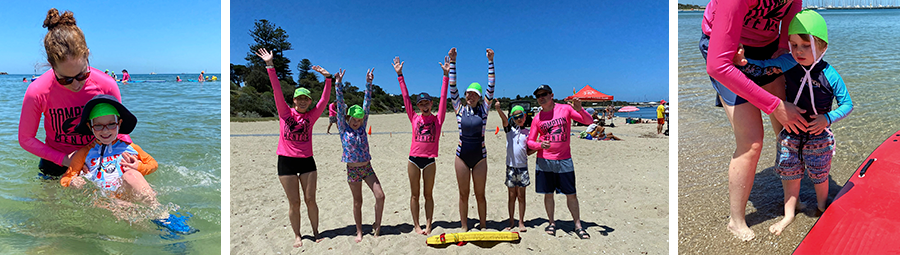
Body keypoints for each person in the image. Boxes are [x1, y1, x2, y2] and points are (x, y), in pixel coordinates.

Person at [734, 10, 853, 236]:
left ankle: (821, 206)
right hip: (791, 132)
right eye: (794, 44)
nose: (798, 51)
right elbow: (762, 67)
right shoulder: (788, 63)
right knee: (790, 173)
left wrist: (827, 118)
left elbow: (847, 104)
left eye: (806, 46)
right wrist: (742, 62)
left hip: (819, 135)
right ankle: (788, 214)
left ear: (823, 47)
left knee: (820, 174)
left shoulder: (830, 74)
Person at [700, 0, 809, 241]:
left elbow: (788, 22)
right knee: (751, 143)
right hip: (726, 50)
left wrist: (783, 49)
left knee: (788, 129)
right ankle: (735, 220)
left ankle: (792, 198)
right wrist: (775, 106)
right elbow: (717, 65)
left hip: (767, 47)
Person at [19, 8, 138, 179]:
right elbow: (25, 138)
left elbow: (117, 128)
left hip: (99, 159)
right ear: (51, 65)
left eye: (82, 75)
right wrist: (65, 160)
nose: (76, 85)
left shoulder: (107, 85)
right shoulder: (37, 91)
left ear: (87, 55)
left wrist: (131, 154)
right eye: (65, 79)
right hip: (56, 162)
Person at [256, 48, 330, 247]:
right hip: (286, 162)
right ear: (294, 100)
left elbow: (324, 101)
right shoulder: (284, 112)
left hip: (307, 161)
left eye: (307, 99)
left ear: (309, 101)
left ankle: (316, 232)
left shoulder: (311, 116)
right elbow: (277, 90)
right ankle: (298, 235)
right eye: (300, 99)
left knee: (310, 200)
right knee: (294, 202)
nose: (303, 101)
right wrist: (270, 65)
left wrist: (328, 79)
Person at [526, 84, 593, 239]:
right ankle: (551, 223)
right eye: (538, 95)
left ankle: (578, 225)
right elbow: (530, 142)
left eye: (544, 94)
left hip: (564, 159)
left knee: (571, 194)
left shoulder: (565, 109)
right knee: (548, 194)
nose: (541, 97)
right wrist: (539, 145)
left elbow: (588, 121)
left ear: (552, 95)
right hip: (544, 160)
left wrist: (580, 109)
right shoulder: (537, 118)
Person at [394, 55, 449, 235]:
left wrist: (445, 76)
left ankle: (428, 223)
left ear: (431, 104)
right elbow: (405, 98)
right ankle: (416, 225)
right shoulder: (414, 117)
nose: (424, 106)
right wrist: (400, 75)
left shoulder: (438, 119)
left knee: (428, 194)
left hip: (430, 161)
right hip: (414, 160)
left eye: (427, 103)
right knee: (415, 195)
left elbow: (443, 98)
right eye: (421, 103)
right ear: (418, 106)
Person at [334, 68, 386, 243]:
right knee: (358, 201)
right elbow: (340, 106)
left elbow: (367, 103)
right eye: (354, 120)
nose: (356, 123)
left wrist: (369, 84)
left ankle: (377, 226)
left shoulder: (363, 127)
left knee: (380, 195)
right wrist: (338, 84)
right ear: (348, 119)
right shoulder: (343, 128)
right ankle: (359, 231)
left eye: (359, 120)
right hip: (353, 171)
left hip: (367, 167)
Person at [448, 48, 496, 231]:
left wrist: (490, 62)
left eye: (474, 94)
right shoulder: (459, 109)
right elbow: (452, 88)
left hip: (480, 157)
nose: (470, 96)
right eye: (468, 93)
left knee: (480, 194)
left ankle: (483, 225)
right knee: (463, 194)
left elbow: (491, 87)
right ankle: (464, 226)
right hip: (461, 156)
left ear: (479, 97)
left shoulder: (484, 110)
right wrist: (453, 63)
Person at [495, 102, 535, 232]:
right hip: (511, 167)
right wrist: (498, 109)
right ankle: (512, 221)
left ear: (525, 116)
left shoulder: (527, 133)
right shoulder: (509, 131)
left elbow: (529, 150)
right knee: (511, 196)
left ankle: (521, 222)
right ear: (512, 118)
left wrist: (538, 147)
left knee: (521, 196)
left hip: (523, 167)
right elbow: (505, 121)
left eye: (521, 116)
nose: (519, 119)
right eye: (516, 117)